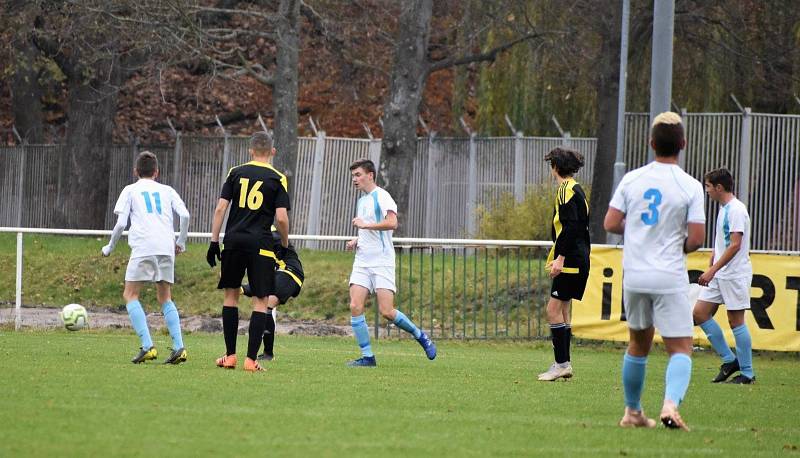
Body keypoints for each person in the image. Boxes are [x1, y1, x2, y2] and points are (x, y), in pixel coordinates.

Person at [604, 112, 706, 431]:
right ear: (683, 144)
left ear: (651, 144)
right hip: (668, 276)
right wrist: (676, 241)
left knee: (638, 344)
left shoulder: (632, 179)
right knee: (681, 347)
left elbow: (609, 223)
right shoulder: (689, 186)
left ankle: (633, 412)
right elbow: (696, 239)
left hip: (634, 275)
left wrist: (636, 231)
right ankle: (670, 405)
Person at [206, 132, 290, 372]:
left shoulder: (235, 172)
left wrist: (214, 241)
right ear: (272, 152)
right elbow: (282, 219)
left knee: (230, 296)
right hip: (261, 245)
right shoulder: (277, 178)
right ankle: (251, 360)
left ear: (250, 151)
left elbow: (221, 208)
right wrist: (283, 245)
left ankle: (230, 355)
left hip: (233, 241)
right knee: (261, 300)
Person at [345, 158, 436, 367]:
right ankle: (368, 357)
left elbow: (392, 223)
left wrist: (365, 226)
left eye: (358, 175)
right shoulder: (362, 201)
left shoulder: (382, 196)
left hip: (382, 261)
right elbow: (368, 230)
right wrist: (356, 239)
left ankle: (420, 336)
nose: (354, 179)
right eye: (353, 176)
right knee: (355, 305)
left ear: (370, 175)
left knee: (387, 311)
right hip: (362, 260)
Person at [101, 151, 190, 365]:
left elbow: (122, 224)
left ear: (135, 172)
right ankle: (179, 347)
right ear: (156, 172)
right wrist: (181, 242)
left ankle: (148, 346)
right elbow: (185, 215)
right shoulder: (167, 190)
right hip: (166, 247)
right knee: (165, 297)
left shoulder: (130, 190)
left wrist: (110, 246)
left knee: (130, 294)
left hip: (143, 247)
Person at [693, 168, 755, 384]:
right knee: (699, 313)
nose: (706, 191)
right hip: (721, 273)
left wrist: (712, 269)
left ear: (719, 187)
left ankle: (747, 373)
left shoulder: (737, 209)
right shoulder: (724, 208)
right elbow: (726, 240)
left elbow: (736, 244)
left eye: (708, 186)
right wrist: (713, 255)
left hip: (734, 274)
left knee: (736, 320)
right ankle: (730, 360)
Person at [537, 147, 591, 382]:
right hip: (579, 258)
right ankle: (564, 363)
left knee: (552, 310)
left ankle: (561, 364)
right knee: (564, 310)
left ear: (556, 167)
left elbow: (570, 227)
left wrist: (560, 258)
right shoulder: (577, 189)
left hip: (570, 260)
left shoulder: (565, 190)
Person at [242, 227, 304, 361]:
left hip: (290, 272)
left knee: (267, 301)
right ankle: (267, 354)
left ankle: (267, 353)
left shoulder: (269, 233)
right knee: (263, 303)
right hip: (277, 274)